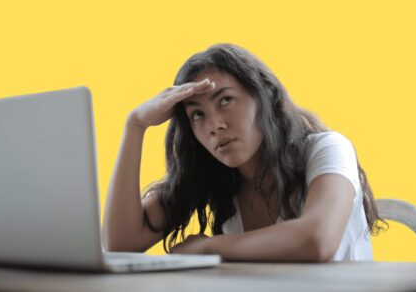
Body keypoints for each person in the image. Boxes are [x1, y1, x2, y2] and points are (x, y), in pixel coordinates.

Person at [103, 43, 386, 262]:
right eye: (198, 114)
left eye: (225, 100)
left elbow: (317, 240)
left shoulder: (328, 149)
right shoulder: (212, 174)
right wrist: (135, 126)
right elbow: (120, 243)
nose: (215, 125)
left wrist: (207, 247)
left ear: (263, 97)